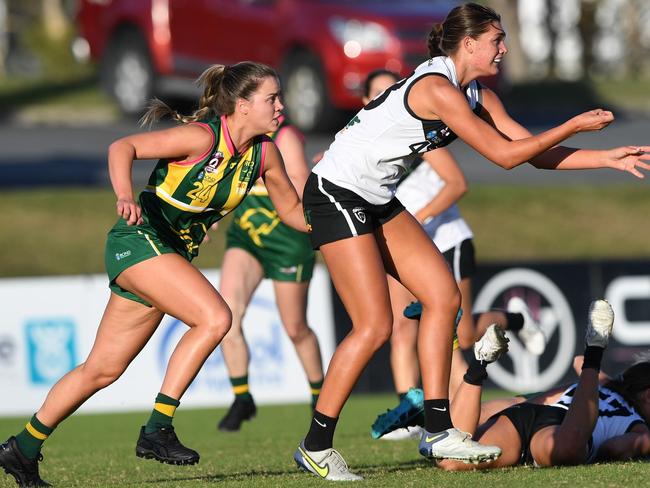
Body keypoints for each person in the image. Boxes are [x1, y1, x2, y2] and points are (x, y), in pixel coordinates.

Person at [292, 2, 649, 481]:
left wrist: (604, 158)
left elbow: (533, 153)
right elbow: (504, 157)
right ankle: (315, 445)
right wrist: (572, 124)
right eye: (497, 40)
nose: (504, 48)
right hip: (335, 191)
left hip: (375, 196)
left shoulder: (474, 91)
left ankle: (439, 428)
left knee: (443, 297)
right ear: (469, 43)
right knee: (374, 325)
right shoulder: (438, 88)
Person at [0, 61, 309, 488]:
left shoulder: (265, 155)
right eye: (271, 98)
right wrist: (126, 195)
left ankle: (22, 449)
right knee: (216, 318)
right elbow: (121, 148)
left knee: (102, 370)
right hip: (139, 241)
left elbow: (293, 212)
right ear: (241, 105)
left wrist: (342, 217)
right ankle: (157, 428)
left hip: (165, 257)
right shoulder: (202, 137)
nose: (281, 105)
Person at [360, 70, 545, 441]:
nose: (384, 97)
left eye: (388, 90)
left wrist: (418, 221)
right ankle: (409, 407)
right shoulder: (368, 141)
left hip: (446, 240)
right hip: (402, 245)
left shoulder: (422, 133)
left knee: (458, 332)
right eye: (375, 94)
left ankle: (513, 320)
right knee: (400, 327)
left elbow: (457, 183)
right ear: (365, 102)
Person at [438, 299, 650, 471]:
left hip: (533, 415)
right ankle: (594, 351)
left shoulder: (605, 384)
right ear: (647, 396)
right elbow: (611, 448)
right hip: (562, 427)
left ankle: (480, 363)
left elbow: (578, 362)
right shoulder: (637, 424)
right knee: (567, 448)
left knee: (451, 459)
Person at [216, 115, 324, 432]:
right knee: (227, 316)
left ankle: (319, 396)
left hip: (288, 240)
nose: (278, 106)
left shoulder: (285, 137)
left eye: (279, 98)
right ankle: (242, 397)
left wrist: (260, 178)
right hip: (247, 235)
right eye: (270, 98)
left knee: (295, 328)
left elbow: (303, 191)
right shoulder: (233, 134)